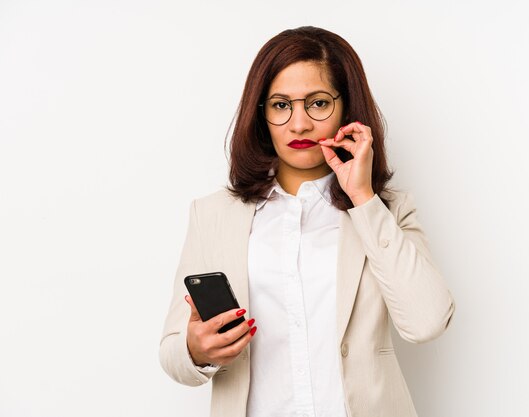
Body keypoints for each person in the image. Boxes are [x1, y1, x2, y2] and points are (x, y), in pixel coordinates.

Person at [159, 26, 455, 417]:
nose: (298, 124)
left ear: (346, 109)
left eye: (317, 103)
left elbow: (427, 322)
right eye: (281, 105)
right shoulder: (214, 215)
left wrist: (363, 198)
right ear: (261, 113)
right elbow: (172, 351)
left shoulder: (387, 210)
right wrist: (196, 349)